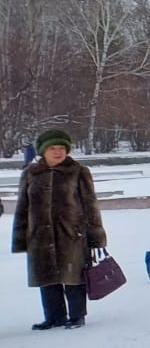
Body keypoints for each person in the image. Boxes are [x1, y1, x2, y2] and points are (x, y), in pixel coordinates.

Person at [13, 129, 105, 330]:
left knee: (73, 277)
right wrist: (21, 237)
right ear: (43, 151)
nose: (57, 152)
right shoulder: (31, 173)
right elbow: (23, 207)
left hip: (71, 235)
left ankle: (77, 316)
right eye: (52, 148)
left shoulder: (79, 171)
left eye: (61, 148)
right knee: (47, 278)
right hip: (40, 236)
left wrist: (95, 236)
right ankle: (54, 317)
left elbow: (91, 205)